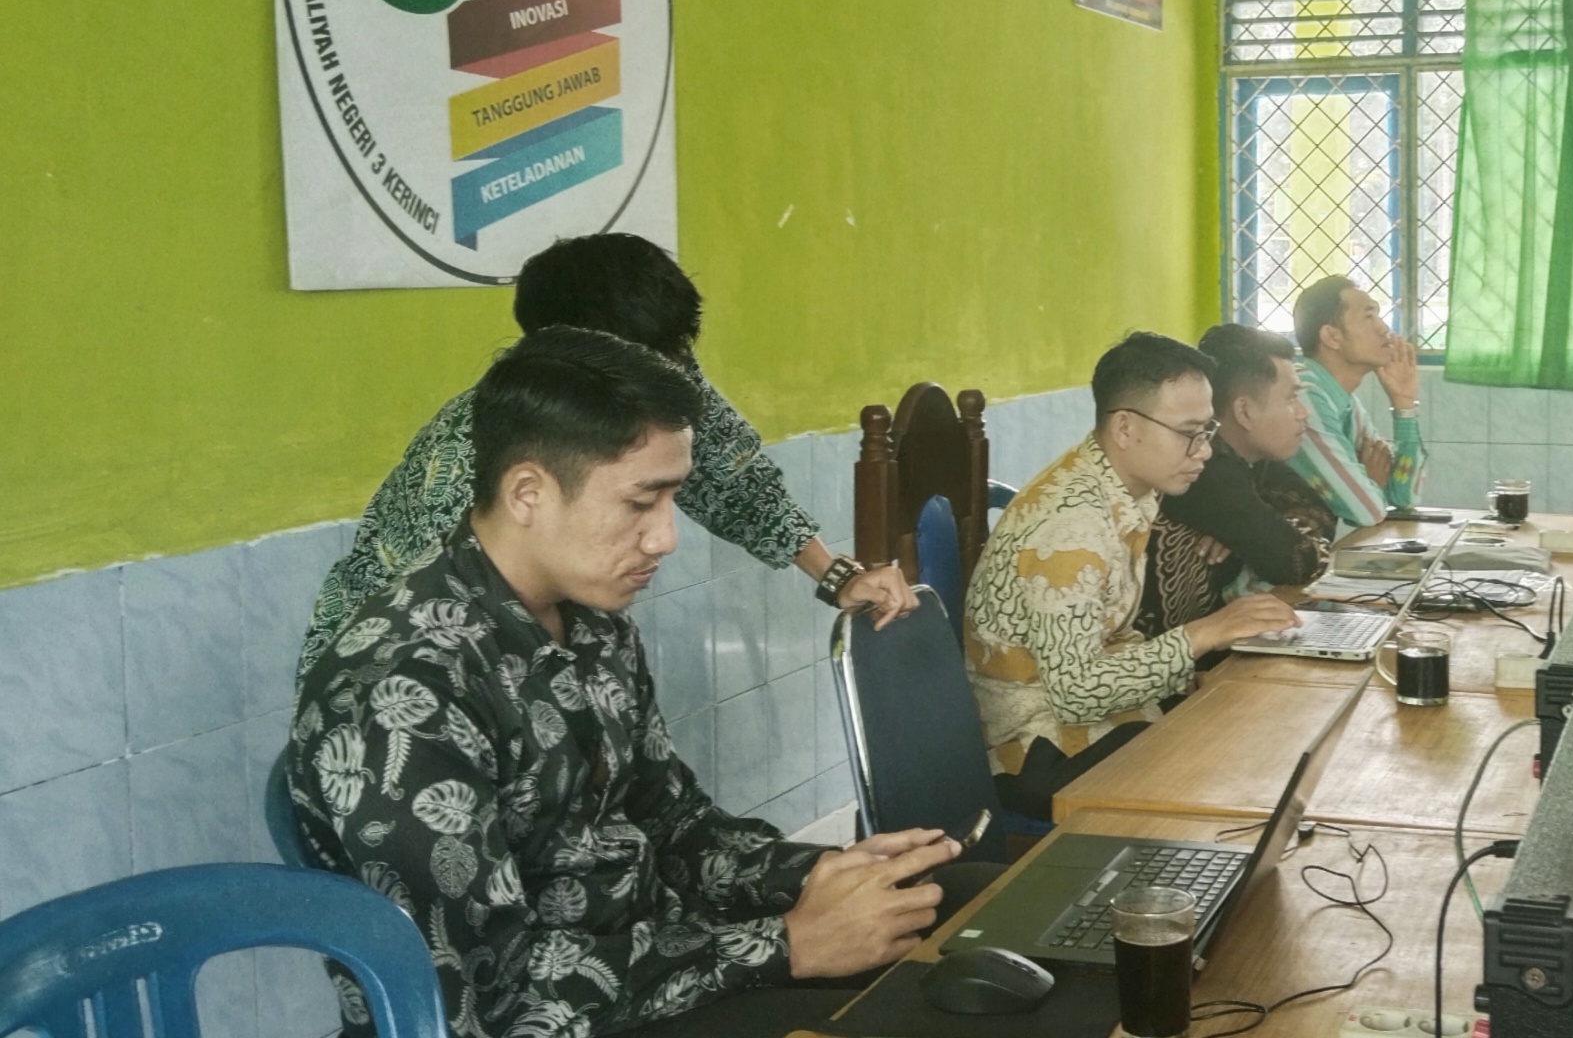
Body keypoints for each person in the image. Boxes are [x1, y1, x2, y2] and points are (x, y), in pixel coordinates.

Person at [289, 328, 988, 1038]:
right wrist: (788, 945)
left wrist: (817, 876)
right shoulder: (401, 687)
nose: (665, 538)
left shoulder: (592, 623)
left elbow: (675, 828)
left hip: (659, 963)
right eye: (639, 503)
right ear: (528, 493)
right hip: (556, 1019)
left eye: (672, 499)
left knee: (969, 909)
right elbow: (482, 994)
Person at [300, 233, 914, 687]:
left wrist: (838, 577)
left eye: (678, 352)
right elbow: (423, 652)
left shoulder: (654, 375)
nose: (662, 538)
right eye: (642, 501)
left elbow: (735, 480)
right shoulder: (472, 459)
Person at [964, 331, 1300, 819]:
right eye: (1189, 433)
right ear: (1125, 427)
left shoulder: (1121, 486)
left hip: (1100, 720)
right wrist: (1201, 635)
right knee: (1229, 775)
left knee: (1250, 724)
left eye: (1208, 431)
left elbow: (1111, 639)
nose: (1205, 451)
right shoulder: (1070, 528)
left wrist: (1184, 668)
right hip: (1039, 750)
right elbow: (1077, 693)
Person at [1142, 325, 1336, 637]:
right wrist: (1259, 532)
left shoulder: (1252, 459)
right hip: (1167, 659)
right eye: (1291, 398)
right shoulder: (1206, 470)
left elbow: (1321, 512)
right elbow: (1299, 562)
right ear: (1244, 411)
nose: (1303, 413)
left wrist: (1250, 533)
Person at [1287, 275, 1426, 528]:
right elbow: (1367, 510)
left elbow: (1403, 497)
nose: (1384, 328)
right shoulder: (1303, 395)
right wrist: (1373, 483)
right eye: (1368, 316)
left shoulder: (1347, 403)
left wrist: (1404, 403)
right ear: (1332, 337)